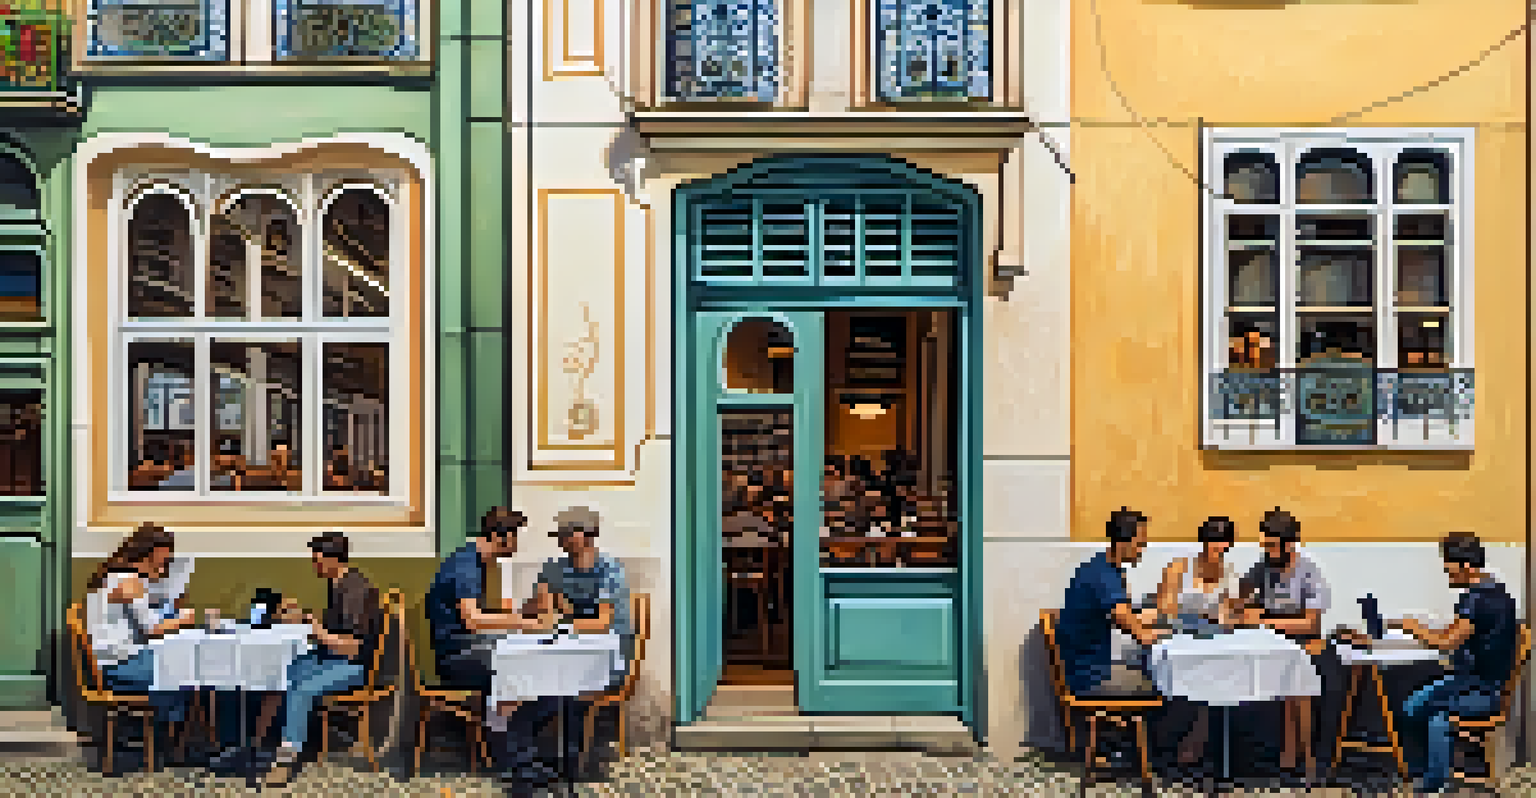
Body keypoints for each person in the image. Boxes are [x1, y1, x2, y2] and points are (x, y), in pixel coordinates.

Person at [505, 506, 633, 782]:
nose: (561, 540)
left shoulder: (609, 570)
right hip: (566, 654)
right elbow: (541, 609)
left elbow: (602, 623)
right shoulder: (555, 567)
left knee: (568, 692)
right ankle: (526, 763)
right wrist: (544, 600)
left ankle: (566, 765)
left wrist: (562, 619)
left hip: (606, 660)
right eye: (559, 534)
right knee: (534, 685)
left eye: (566, 534)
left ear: (585, 535)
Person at [1394, 532, 1517, 795]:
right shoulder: (1494, 590)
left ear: (1465, 566)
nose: (1446, 571)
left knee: (1436, 717)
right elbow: (1460, 632)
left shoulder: (1477, 599)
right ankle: (1422, 773)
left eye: (1448, 566)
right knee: (1413, 706)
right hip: (1469, 683)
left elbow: (1448, 642)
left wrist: (1414, 628)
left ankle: (1433, 785)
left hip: (1483, 691)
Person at [258, 532, 381, 786]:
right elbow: (336, 629)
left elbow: (354, 647)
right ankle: (265, 741)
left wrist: (319, 632)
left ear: (335, 559)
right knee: (285, 670)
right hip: (332, 656)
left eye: (318, 559)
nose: (314, 564)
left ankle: (286, 759)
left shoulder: (355, 590)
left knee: (302, 689)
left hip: (355, 665)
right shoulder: (337, 583)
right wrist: (302, 617)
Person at [83, 522, 200, 765]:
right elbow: (152, 629)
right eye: (163, 558)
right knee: (186, 672)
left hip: (111, 661)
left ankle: (160, 741)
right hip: (117, 665)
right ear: (149, 553)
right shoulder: (130, 581)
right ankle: (167, 745)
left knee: (179, 667)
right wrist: (184, 619)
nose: (165, 564)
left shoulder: (114, 576)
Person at [1237, 508, 1331, 775]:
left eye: (1272, 546)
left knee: (1295, 681)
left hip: (1302, 642)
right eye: (1264, 545)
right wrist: (1237, 605)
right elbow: (1239, 596)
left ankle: (1303, 760)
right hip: (1270, 643)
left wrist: (1265, 621)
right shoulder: (1263, 566)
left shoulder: (1308, 571)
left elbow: (1311, 623)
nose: (1267, 551)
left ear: (1289, 544)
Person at [425, 508, 552, 693]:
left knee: (530, 651)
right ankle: (506, 720)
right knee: (528, 663)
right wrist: (525, 623)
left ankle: (507, 717)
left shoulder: (474, 560)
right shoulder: (466, 566)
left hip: (465, 646)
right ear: (500, 537)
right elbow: (473, 621)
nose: (516, 543)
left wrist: (522, 616)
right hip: (456, 656)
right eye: (514, 535)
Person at [1155, 516, 1242, 766]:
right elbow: (1164, 610)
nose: (1218, 552)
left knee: (1216, 672)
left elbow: (1229, 616)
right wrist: (1205, 617)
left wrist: (1226, 616)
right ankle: (1170, 741)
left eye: (1224, 546)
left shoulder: (1229, 574)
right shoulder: (1179, 569)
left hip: (1207, 642)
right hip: (1174, 639)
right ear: (1203, 544)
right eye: (1214, 545)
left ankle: (1199, 741)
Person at [1059, 508, 1168, 702]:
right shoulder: (1106, 577)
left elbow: (1121, 619)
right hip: (1091, 679)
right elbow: (1141, 635)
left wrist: (1146, 616)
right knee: (1171, 685)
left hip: (1083, 672)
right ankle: (1161, 733)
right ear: (1123, 542)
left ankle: (1148, 732)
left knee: (1157, 674)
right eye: (1140, 542)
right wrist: (1175, 632)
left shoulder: (1100, 567)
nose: (1142, 548)